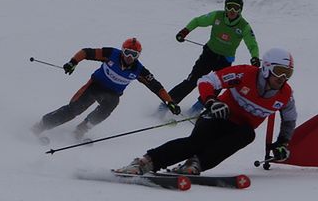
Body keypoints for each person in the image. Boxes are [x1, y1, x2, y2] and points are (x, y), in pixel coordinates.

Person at [117, 48, 298, 175]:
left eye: (288, 74)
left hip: (238, 129)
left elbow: (289, 120)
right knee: (195, 144)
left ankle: (195, 165)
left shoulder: (285, 95)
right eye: (280, 71)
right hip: (217, 116)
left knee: (248, 134)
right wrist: (212, 101)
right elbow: (206, 80)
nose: (283, 78)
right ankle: (145, 163)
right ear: (266, 68)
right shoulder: (245, 74)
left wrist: (282, 143)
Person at [32, 38, 180, 140]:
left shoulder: (139, 70)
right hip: (94, 86)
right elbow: (86, 52)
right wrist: (73, 62)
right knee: (73, 111)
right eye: (127, 52)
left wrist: (170, 102)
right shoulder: (111, 54)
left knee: (110, 105)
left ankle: (81, 130)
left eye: (133, 54)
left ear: (138, 55)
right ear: (122, 50)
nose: (129, 56)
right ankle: (41, 125)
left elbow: (156, 87)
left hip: (112, 94)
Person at [167, 0, 260, 111]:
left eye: (236, 8)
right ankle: (168, 103)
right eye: (229, 7)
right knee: (192, 81)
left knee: (217, 86)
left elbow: (252, 44)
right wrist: (185, 31)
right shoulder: (217, 16)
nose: (232, 11)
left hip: (225, 60)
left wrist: (255, 57)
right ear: (225, 7)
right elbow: (197, 21)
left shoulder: (244, 26)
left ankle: (196, 109)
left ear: (240, 10)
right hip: (209, 55)